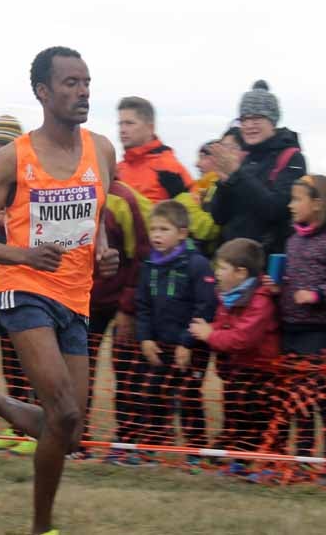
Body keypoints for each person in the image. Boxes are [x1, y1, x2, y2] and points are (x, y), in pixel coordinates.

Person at [0, 46, 120, 535]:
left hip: (75, 297)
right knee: (62, 411)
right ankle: (41, 529)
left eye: (86, 83)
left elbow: (96, 211)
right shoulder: (12, 159)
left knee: (69, 429)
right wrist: (21, 255)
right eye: (70, 83)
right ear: (42, 91)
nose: (82, 92)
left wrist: (101, 247)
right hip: (24, 288)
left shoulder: (102, 150)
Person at [271, 175, 326, 480]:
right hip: (293, 332)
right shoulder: (292, 240)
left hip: (324, 334)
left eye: (297, 199)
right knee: (300, 402)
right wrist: (277, 288)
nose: (290, 205)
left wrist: (319, 294)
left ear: (318, 204)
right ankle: (306, 459)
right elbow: (291, 282)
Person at [135, 200, 217, 469]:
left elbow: (205, 307)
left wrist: (188, 343)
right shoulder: (149, 265)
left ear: (182, 233)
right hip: (159, 345)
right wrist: (145, 338)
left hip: (189, 348)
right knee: (153, 392)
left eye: (164, 229)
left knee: (188, 396)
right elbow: (143, 305)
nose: (156, 235)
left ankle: (195, 450)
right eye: (153, 229)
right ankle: (154, 446)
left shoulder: (197, 265)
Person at [189, 239, 278, 466]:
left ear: (241, 273)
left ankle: (245, 454)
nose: (216, 272)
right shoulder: (228, 295)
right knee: (232, 407)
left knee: (252, 413)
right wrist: (212, 331)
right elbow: (223, 324)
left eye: (222, 268)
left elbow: (243, 339)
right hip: (236, 367)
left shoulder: (260, 301)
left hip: (258, 370)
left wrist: (209, 335)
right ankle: (230, 443)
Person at [82, 178, 152, 463]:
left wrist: (127, 307)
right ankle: (76, 439)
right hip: (83, 301)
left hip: (121, 300)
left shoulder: (123, 199)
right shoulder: (71, 194)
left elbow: (141, 255)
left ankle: (127, 442)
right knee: (78, 371)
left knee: (127, 373)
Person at [0, 115, 35, 453]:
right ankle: (16, 425)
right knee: (9, 359)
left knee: (34, 358)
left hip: (31, 284)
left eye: (5, 145)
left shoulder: (32, 177)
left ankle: (35, 429)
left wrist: (11, 221)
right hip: (0, 282)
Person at [209, 80, 307, 256]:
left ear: (272, 121)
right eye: (244, 119)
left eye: (256, 118)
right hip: (233, 262)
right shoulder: (242, 158)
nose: (249, 125)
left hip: (266, 262)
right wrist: (224, 184)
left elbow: (276, 210)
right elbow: (219, 217)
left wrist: (236, 175)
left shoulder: (291, 157)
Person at [116, 96, 193, 202]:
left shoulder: (169, 168)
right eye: (120, 124)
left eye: (129, 123)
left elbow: (190, 214)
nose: (122, 130)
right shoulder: (116, 170)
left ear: (150, 128)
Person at [174, 140, 222, 257]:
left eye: (203, 157)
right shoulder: (198, 187)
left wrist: (184, 202)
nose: (197, 164)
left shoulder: (220, 188)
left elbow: (210, 228)